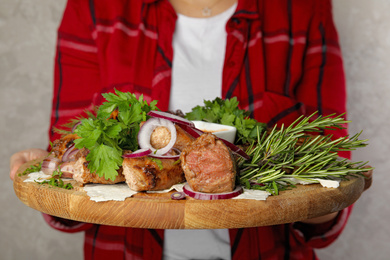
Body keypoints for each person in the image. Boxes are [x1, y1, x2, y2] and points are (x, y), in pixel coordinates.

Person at [9, 0, 373, 259]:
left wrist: (326, 194)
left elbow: (325, 214)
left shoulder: (304, 10)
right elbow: (70, 183)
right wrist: (54, 170)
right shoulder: (93, 8)